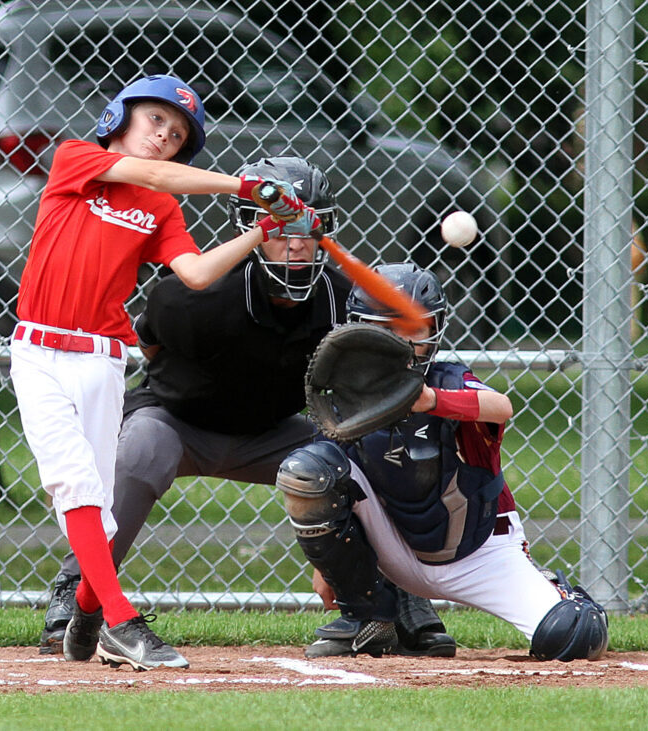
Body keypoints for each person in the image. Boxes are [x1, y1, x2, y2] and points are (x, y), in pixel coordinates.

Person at [39, 156, 457, 660]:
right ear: (253, 228)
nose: (297, 242)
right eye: (282, 227)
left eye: (310, 226)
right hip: (178, 423)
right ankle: (78, 588)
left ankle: (395, 602)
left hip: (272, 433)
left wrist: (333, 534)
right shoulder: (196, 296)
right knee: (140, 453)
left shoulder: (339, 301)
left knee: (364, 452)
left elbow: (366, 393)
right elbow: (150, 344)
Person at [11, 75, 315, 672]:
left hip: (100, 360)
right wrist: (245, 185)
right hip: (38, 353)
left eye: (176, 135)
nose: (164, 138)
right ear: (118, 117)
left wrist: (261, 229)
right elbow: (150, 174)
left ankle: (84, 613)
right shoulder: (79, 159)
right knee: (73, 484)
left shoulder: (160, 207)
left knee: (98, 502)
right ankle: (121, 620)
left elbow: (196, 273)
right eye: (155, 121)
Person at [277, 263, 610, 661]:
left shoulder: (448, 380)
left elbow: (501, 406)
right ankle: (369, 619)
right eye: (387, 328)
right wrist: (329, 567)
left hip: (479, 550)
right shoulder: (347, 395)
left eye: (414, 329)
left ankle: (556, 591)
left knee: (573, 634)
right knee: (308, 470)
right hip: (396, 546)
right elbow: (334, 478)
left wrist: (431, 401)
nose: (401, 342)